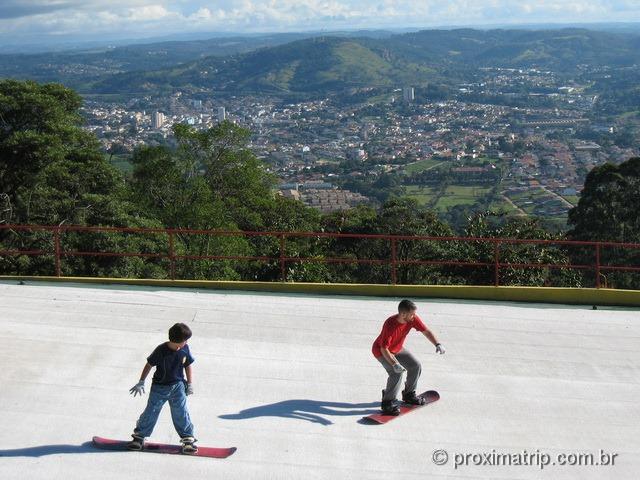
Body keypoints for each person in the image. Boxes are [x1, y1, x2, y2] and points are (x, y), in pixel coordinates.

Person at [127, 322, 197, 454]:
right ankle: (139, 437)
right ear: (178, 342)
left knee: (181, 412)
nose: (187, 342)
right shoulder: (161, 350)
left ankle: (188, 439)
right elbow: (149, 364)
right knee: (151, 411)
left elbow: (188, 365)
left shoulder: (185, 349)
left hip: (178, 387)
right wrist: (141, 381)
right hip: (159, 388)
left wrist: (190, 383)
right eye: (185, 340)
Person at [372, 299, 444, 415]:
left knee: (415, 365)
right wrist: (394, 364)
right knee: (396, 373)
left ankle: (409, 394)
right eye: (412, 314)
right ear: (403, 314)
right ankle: (387, 403)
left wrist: (437, 343)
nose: (414, 316)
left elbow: (426, 331)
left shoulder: (412, 319)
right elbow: (384, 349)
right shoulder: (390, 324)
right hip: (381, 351)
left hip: (397, 348)